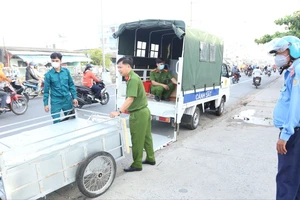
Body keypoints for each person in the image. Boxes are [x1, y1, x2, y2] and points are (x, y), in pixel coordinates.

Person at [110, 57, 155, 172]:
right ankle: (151, 158)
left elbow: (130, 98)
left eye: (120, 67)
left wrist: (119, 112)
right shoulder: (133, 77)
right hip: (144, 111)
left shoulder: (133, 79)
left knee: (137, 139)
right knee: (146, 137)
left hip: (138, 114)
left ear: (128, 66)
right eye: (118, 67)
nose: (119, 69)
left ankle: (137, 164)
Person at [269, 36, 300, 200]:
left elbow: (296, 104)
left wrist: (285, 134)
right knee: (294, 181)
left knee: (286, 181)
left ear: (293, 50)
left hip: (293, 133)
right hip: (294, 131)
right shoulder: (294, 69)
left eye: (281, 51)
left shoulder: (298, 70)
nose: (278, 55)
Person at [43, 52, 78, 123]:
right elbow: (46, 91)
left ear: (60, 61)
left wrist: (74, 97)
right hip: (56, 101)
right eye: (53, 61)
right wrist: (46, 104)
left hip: (67, 100)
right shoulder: (48, 75)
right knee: (56, 122)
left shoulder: (66, 71)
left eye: (56, 61)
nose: (54, 62)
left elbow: (71, 85)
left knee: (71, 120)